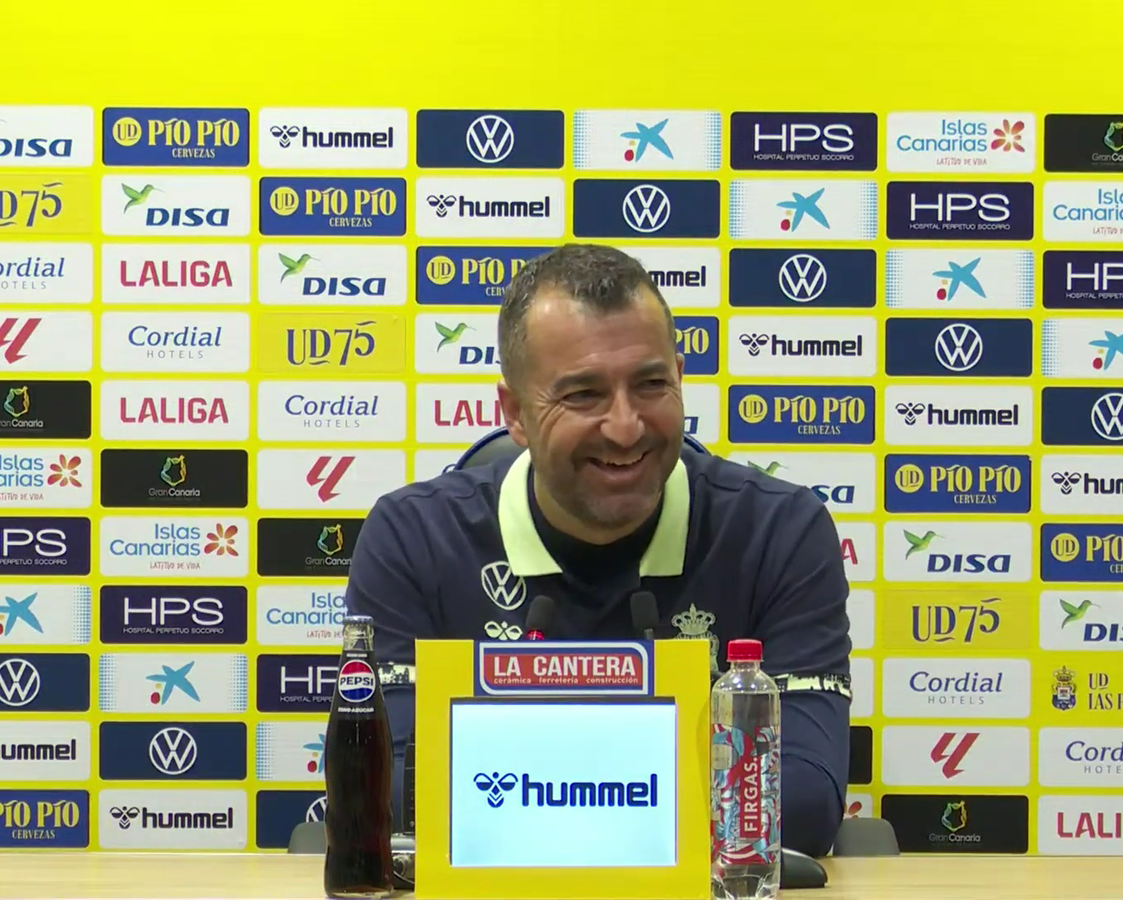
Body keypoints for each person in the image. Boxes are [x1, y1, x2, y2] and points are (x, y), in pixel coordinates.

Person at [342, 242, 853, 856]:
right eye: (583, 394)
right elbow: (387, 792)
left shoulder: (780, 533)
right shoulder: (413, 538)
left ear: (681, 378)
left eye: (650, 384)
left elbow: (801, 803)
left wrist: (522, 790)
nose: (626, 426)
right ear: (515, 412)